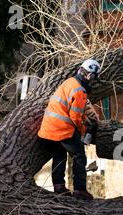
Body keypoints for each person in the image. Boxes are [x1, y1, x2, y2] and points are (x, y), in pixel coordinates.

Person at [38, 59, 101, 200]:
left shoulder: (69, 82)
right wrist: (83, 132)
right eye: (94, 78)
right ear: (90, 75)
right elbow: (75, 117)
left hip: (49, 128)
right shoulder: (80, 91)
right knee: (79, 156)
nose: (93, 82)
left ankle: (59, 187)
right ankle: (80, 190)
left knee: (59, 155)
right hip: (61, 129)